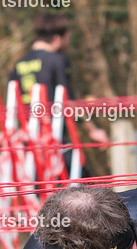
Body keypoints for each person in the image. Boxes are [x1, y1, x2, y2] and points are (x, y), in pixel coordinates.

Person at [9, 13, 109, 152]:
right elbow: (68, 101)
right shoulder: (57, 60)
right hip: (53, 140)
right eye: (67, 38)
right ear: (57, 38)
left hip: (28, 143)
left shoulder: (18, 64)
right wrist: (92, 130)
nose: (67, 42)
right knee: (81, 173)